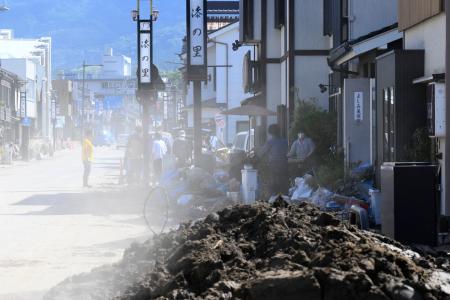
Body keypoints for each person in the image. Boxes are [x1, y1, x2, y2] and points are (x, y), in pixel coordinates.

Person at [257, 124, 289, 196]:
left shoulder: (270, 142)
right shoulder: (285, 141)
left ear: (270, 132)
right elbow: (286, 152)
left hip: (274, 165)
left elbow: (261, 153)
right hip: (284, 164)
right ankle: (284, 195)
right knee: (283, 181)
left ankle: (274, 196)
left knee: (274, 181)